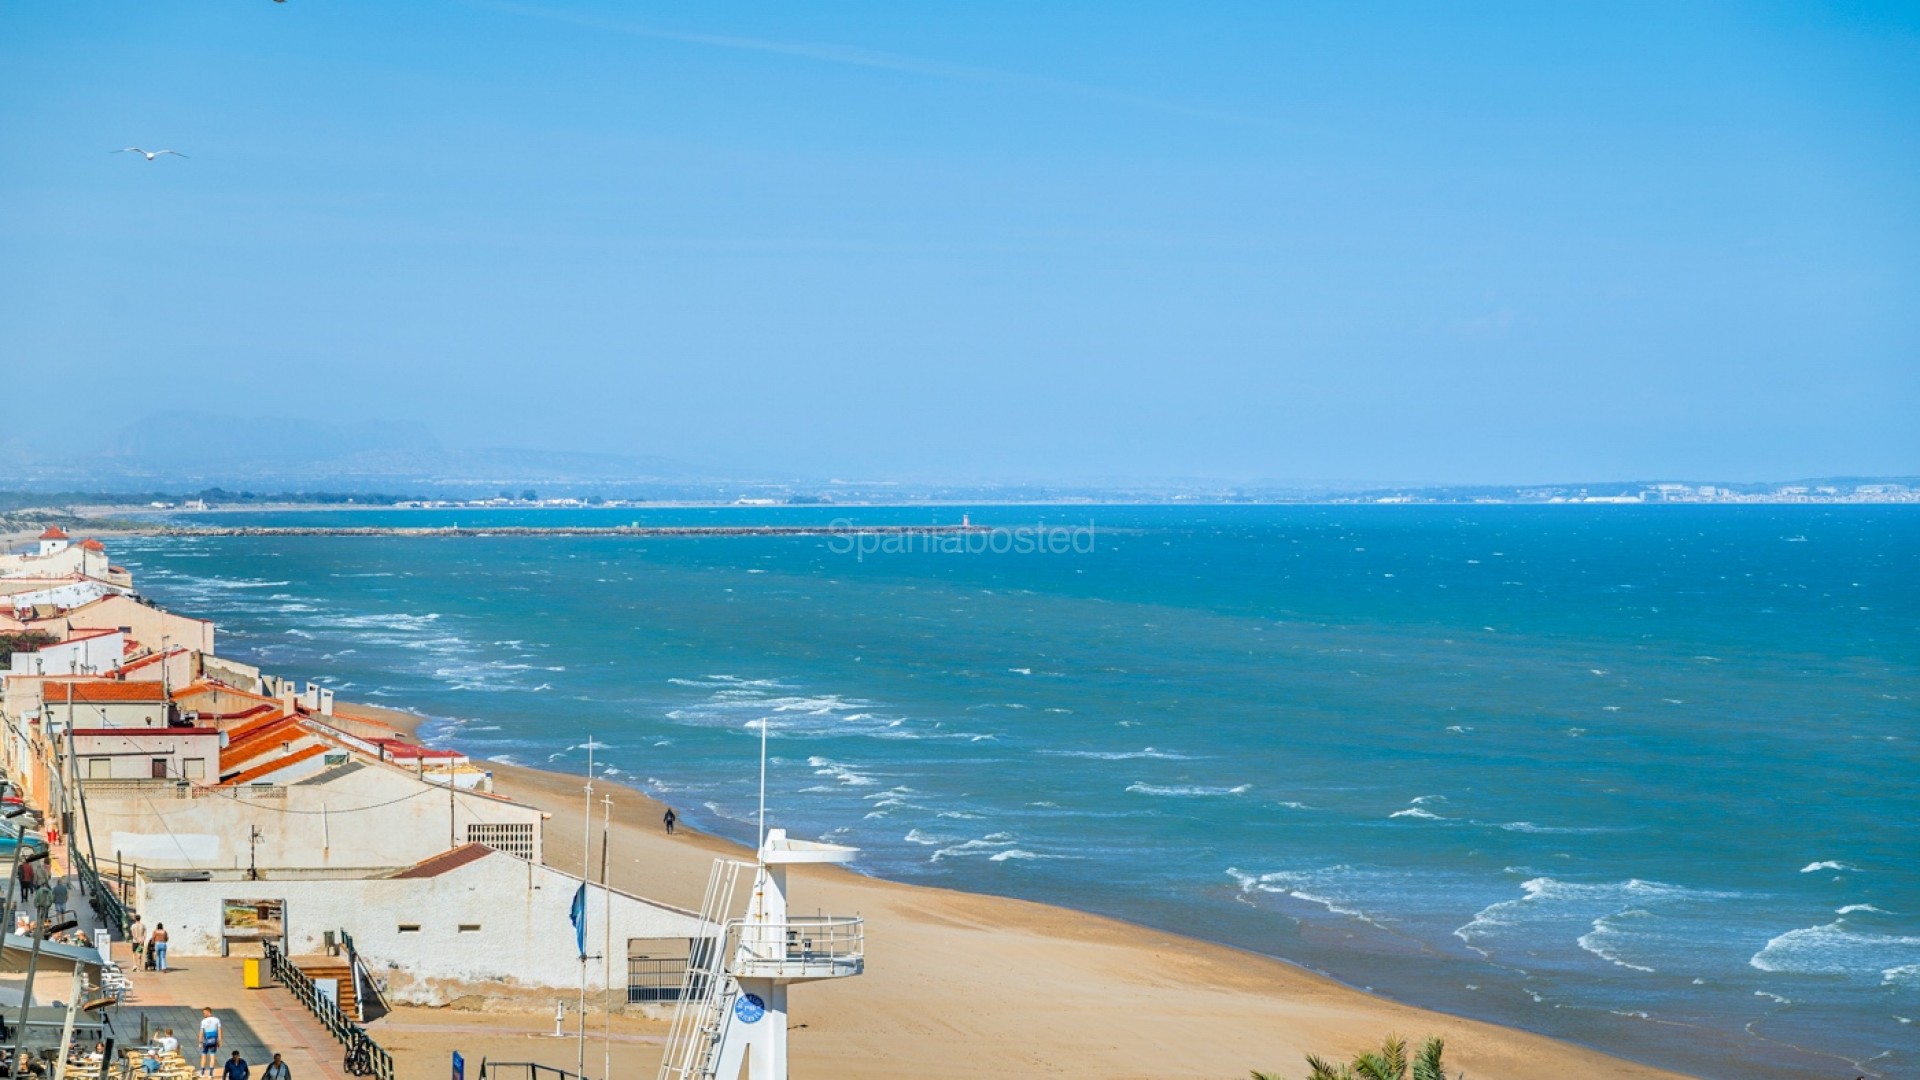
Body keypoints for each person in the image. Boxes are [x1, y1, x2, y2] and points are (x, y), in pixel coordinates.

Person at [199, 1008, 222, 1078]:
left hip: (206, 1040)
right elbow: (219, 1031)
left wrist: (200, 1042)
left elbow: (201, 1032)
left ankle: (202, 1073)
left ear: (209, 1012)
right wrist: (220, 1040)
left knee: (203, 1056)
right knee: (212, 1056)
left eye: (204, 1013)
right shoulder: (217, 1020)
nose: (203, 1014)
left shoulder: (203, 1021)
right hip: (214, 1040)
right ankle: (210, 1074)